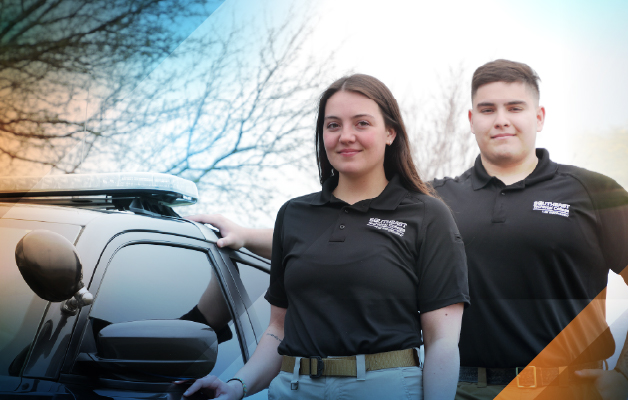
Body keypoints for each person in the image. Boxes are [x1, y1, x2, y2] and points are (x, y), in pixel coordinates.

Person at [191, 61, 628, 400]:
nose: (501, 119)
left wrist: (624, 378)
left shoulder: (594, 192)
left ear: (540, 116)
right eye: (487, 109)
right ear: (471, 119)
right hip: (462, 387)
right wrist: (244, 232)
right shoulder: (435, 202)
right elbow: (331, 239)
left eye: (515, 107)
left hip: (571, 386)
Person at [183, 74, 469, 400]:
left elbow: (442, 342)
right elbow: (278, 332)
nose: (346, 136)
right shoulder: (294, 215)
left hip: (384, 389)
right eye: (333, 125)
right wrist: (235, 386)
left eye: (362, 123)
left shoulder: (428, 215)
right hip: (292, 389)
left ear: (390, 132)